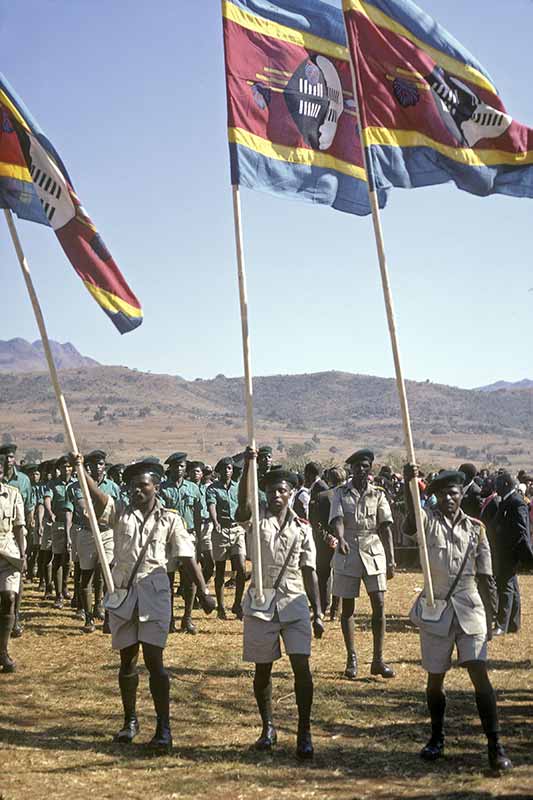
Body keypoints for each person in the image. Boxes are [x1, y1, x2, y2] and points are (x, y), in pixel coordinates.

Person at [74, 455, 216, 752]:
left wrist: (204, 592)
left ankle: (164, 728)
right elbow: (98, 499)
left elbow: (187, 556)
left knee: (154, 662)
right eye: (132, 486)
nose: (136, 490)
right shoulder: (120, 514)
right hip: (125, 594)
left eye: (142, 485)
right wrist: (82, 470)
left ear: (156, 487)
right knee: (127, 660)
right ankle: (130, 721)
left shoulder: (171, 519)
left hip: (154, 595)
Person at [404, 466, 512, 772]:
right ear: (436, 498)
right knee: (435, 678)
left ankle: (495, 745)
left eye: (453, 493)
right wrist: (410, 484)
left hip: (470, 607)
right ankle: (437, 737)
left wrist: (492, 617)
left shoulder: (476, 529)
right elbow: (411, 521)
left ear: (462, 494)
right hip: (436, 607)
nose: (448, 498)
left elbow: (486, 577)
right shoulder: (428, 522)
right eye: (442, 494)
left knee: (479, 672)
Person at [237, 451, 324, 759]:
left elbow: (309, 570)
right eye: (271, 490)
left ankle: (304, 732)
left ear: (291, 493)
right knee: (263, 669)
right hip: (261, 601)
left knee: (302, 666)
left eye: (282, 490)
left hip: (294, 600)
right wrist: (248, 467)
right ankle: (268, 727)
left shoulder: (303, 528)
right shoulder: (256, 520)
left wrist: (318, 611)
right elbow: (242, 506)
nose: (276, 495)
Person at [329, 449, 396, 679]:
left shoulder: (378, 494)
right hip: (348, 548)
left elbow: (385, 527)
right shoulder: (340, 493)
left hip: (373, 548)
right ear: (351, 468)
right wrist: (340, 539)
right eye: (357, 466)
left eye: (365, 466)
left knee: (379, 603)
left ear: (370, 469)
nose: (361, 469)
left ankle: (378, 659)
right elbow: (337, 519)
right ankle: (352, 659)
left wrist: (391, 559)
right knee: (348, 606)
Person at [67, 450, 120, 632]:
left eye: (101, 464)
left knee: (108, 574)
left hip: (107, 534)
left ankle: (107, 615)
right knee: (86, 575)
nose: (97, 467)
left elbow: (116, 510)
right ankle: (88, 618)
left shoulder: (113, 486)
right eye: (93, 464)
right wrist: (91, 516)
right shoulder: (77, 486)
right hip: (87, 534)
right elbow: (83, 509)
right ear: (87, 466)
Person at [161, 452, 203, 634]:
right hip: (168, 538)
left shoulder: (193, 488)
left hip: (189, 536)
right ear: (170, 468)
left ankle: (187, 618)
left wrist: (199, 539)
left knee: (190, 579)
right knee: (168, 580)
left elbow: (198, 514)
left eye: (182, 466)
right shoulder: (162, 488)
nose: (179, 469)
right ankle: (169, 619)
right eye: (176, 466)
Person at [492, 472, 533, 636]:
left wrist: (517, 553)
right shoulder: (507, 500)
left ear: (506, 484)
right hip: (504, 551)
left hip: (510, 552)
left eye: (498, 484)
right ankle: (513, 624)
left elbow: (521, 531)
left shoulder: (517, 502)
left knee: (506, 587)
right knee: (512, 587)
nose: (495, 487)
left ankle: (502, 624)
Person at [206, 457, 246, 619]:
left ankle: (238, 604)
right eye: (224, 468)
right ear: (219, 471)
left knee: (241, 569)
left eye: (229, 468)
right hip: (221, 530)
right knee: (220, 571)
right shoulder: (212, 489)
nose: (227, 471)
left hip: (237, 530)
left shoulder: (237, 487)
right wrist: (215, 522)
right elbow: (211, 505)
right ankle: (221, 607)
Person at [1, 443, 32, 637]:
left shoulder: (22, 482)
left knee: (13, 588)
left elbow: (27, 509)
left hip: (12, 540)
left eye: (11, 456)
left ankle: (15, 618)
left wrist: (23, 551)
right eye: (6, 456)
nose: (9, 460)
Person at [0, 454, 26, 672]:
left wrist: (23, 555)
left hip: (8, 553)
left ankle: (3, 651)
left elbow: (18, 526)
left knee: (9, 598)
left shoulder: (12, 494)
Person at [313, 466, 346, 620]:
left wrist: (327, 538)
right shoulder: (347, 496)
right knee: (340, 575)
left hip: (324, 542)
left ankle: (322, 607)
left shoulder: (321, 496)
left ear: (329, 479)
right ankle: (336, 610)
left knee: (323, 575)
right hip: (343, 540)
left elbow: (316, 523)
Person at [43, 455, 75, 609]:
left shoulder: (76, 484)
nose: (66, 469)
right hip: (59, 524)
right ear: (59, 469)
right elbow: (47, 499)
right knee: (57, 558)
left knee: (68, 559)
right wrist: (49, 512)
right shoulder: (52, 484)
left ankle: (65, 585)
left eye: (69, 466)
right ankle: (58, 595)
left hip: (75, 525)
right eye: (63, 466)